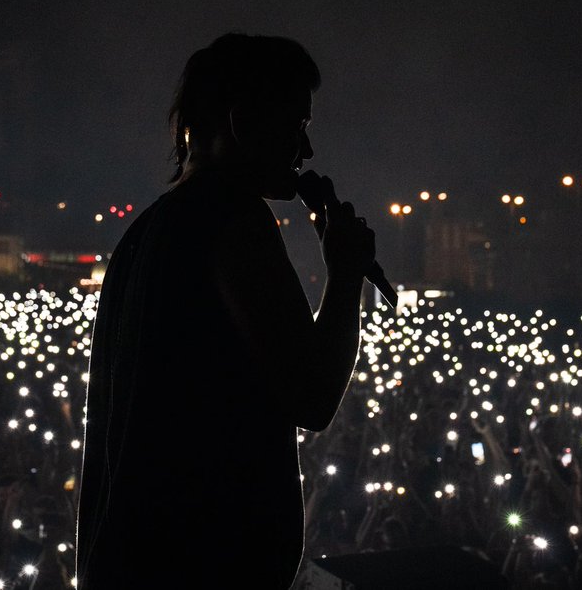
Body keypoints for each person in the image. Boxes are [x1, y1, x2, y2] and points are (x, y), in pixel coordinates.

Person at [75, 33, 375, 589]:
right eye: (298, 127)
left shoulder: (144, 232)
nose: (306, 153)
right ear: (243, 120)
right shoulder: (234, 222)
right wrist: (346, 274)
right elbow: (312, 394)